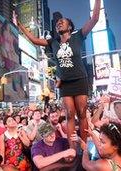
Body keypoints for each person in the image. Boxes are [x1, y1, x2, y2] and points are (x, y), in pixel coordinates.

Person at [18, 0, 101, 148]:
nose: (58, 23)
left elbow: (94, 18)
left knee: (82, 114)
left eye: (62, 22)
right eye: (57, 23)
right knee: (69, 114)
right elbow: (33, 40)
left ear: (70, 26)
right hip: (65, 83)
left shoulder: (78, 36)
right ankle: (72, 148)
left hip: (80, 79)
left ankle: (82, 146)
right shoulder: (53, 42)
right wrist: (19, 24)